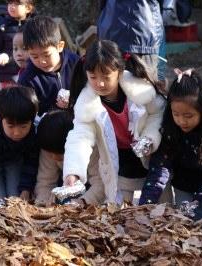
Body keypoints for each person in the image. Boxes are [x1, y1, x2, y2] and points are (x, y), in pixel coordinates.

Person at [62, 40, 165, 204]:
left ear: (120, 71)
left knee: (161, 210)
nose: (100, 84)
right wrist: (73, 171)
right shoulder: (87, 104)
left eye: (106, 77)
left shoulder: (142, 90)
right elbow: (79, 138)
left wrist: (150, 137)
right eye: (93, 77)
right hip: (119, 159)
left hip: (152, 156)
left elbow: (157, 114)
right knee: (122, 214)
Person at [138, 69, 202, 206]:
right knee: (182, 217)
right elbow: (159, 168)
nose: (181, 121)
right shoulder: (170, 129)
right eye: (176, 114)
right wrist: (146, 203)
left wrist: (201, 198)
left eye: (188, 116)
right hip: (183, 183)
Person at [0, 85, 40, 205]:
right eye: (10, 126)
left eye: (23, 126)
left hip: (15, 159)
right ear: (0, 117)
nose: (17, 133)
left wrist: (26, 190)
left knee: (15, 197)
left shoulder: (36, 128)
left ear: (33, 116)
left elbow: (31, 163)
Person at [34, 110, 105, 207]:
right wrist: (45, 202)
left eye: (61, 154)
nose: (54, 158)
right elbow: (45, 182)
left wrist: (85, 201)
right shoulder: (47, 145)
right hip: (63, 186)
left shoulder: (91, 146)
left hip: (88, 188)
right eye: (50, 155)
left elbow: (100, 182)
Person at [18, 15, 81, 115]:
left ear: (60, 46)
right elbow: (28, 113)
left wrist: (74, 101)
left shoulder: (77, 64)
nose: (42, 61)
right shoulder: (28, 79)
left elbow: (90, 92)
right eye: (34, 56)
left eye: (46, 55)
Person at [97, 0, 164, 80]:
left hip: (112, 26)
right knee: (146, 86)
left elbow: (101, 4)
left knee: (112, 84)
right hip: (145, 30)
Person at [0, 0, 35, 88]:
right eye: (10, 3)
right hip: (7, 77)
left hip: (30, 76)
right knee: (7, 100)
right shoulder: (3, 26)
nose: (12, 7)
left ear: (28, 8)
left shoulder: (34, 26)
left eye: (17, 4)